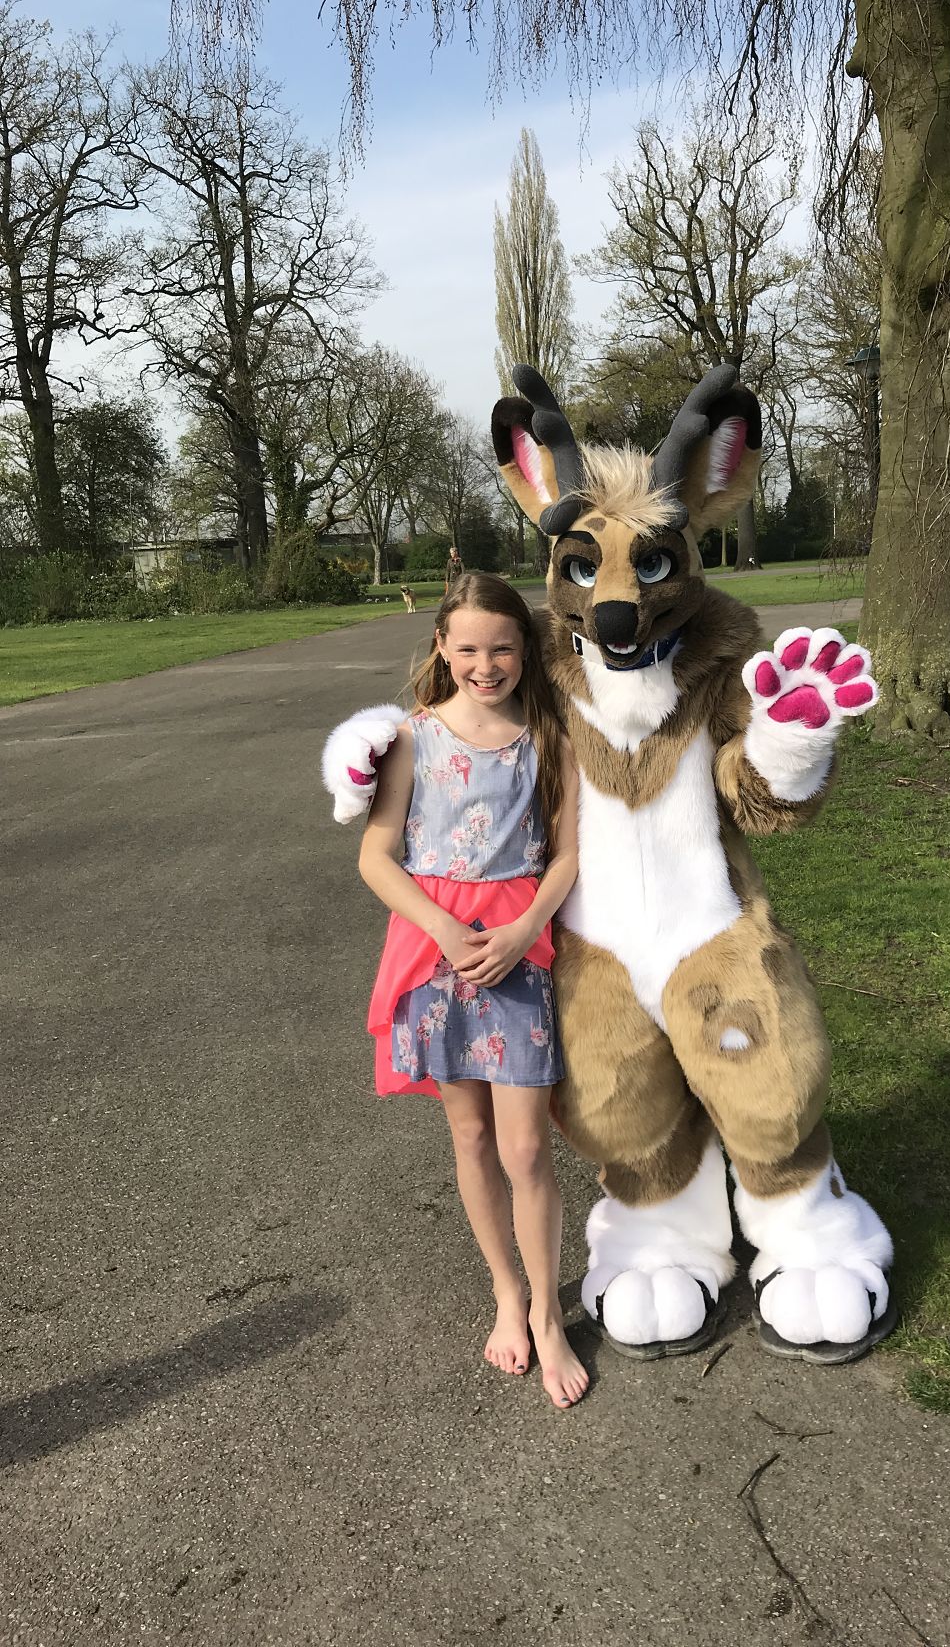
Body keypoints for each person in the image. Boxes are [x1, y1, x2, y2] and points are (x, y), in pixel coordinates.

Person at [357, 571, 588, 1409]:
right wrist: (444, 929)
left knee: (527, 1148)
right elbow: (376, 857)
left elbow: (567, 853)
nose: (485, 665)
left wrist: (525, 930)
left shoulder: (548, 737)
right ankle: (507, 1292)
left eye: (502, 649)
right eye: (468, 649)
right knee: (472, 1135)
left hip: (516, 951)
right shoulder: (412, 739)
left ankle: (550, 1315)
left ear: (526, 651)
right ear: (441, 648)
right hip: (435, 955)